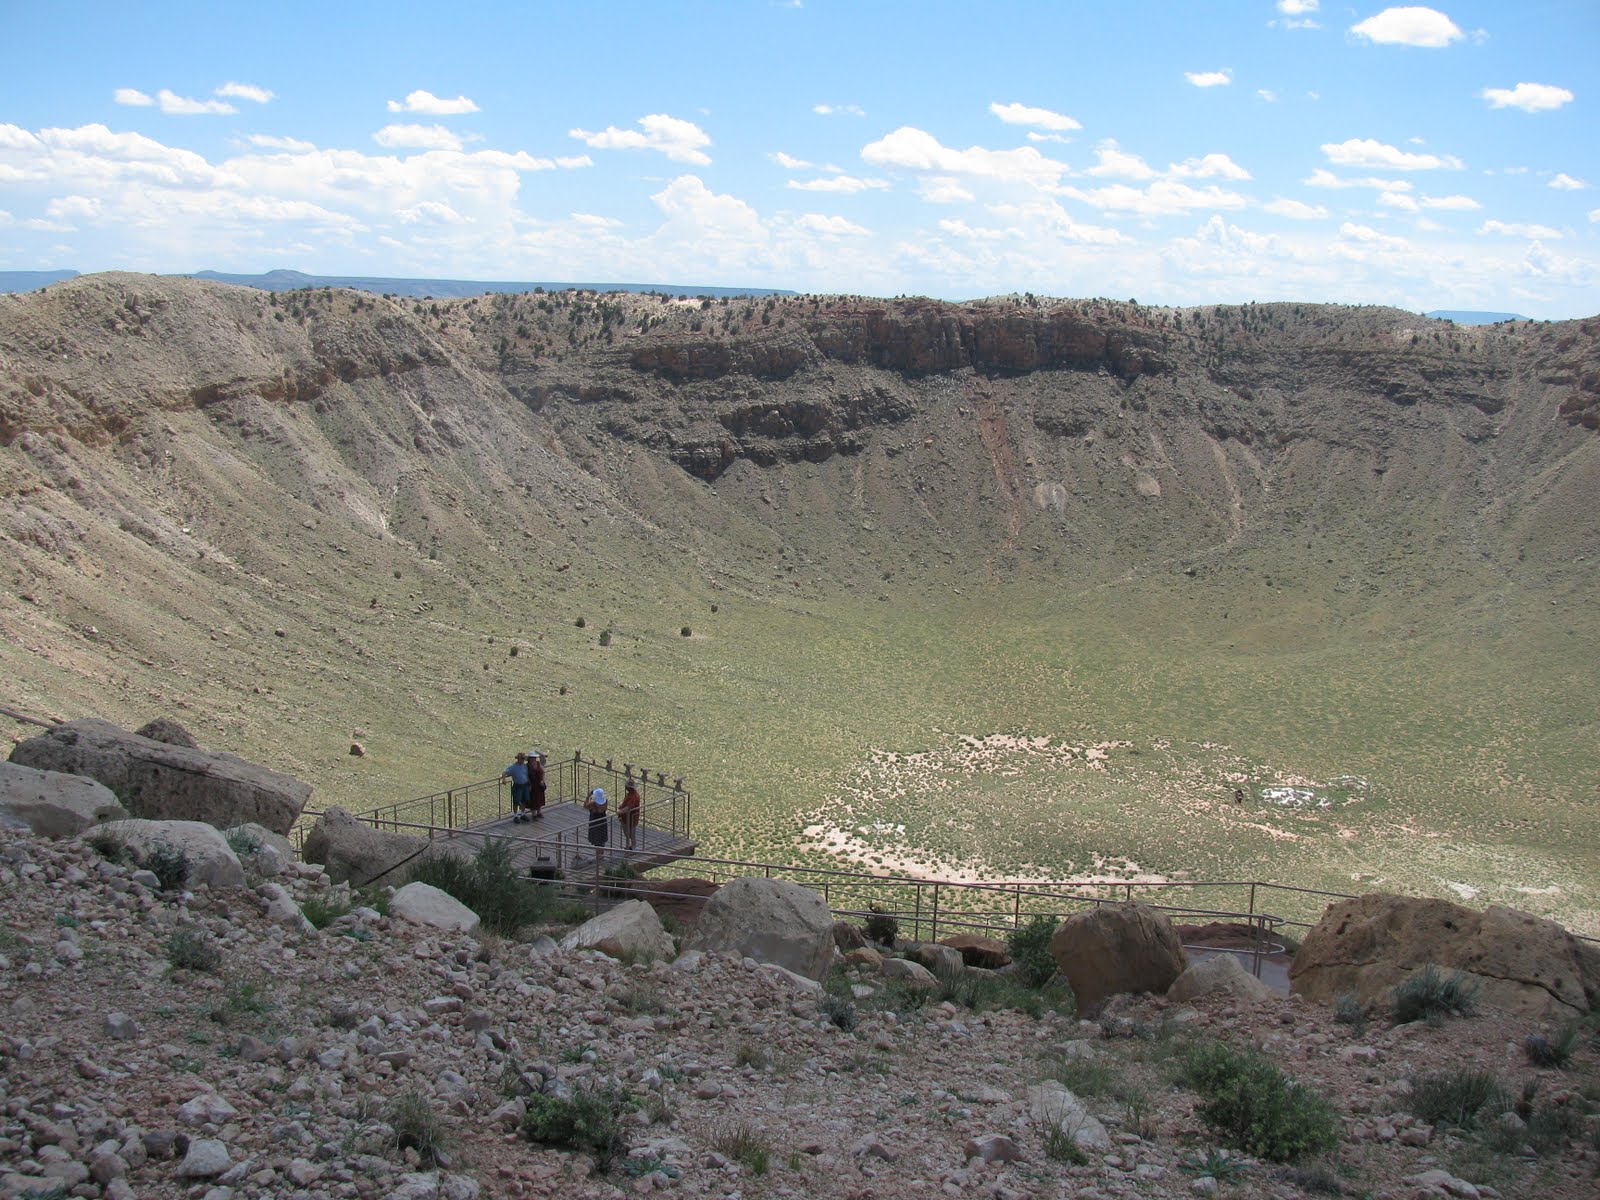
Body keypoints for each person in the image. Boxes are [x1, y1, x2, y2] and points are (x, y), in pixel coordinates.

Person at [503, 752, 531, 823]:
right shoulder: (513, 767)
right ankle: (515, 816)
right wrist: (504, 779)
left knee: (524, 800)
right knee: (516, 801)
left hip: (525, 785)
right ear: (518, 758)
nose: (523, 760)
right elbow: (505, 772)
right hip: (517, 785)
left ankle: (522, 814)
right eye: (522, 758)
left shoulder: (525, 766)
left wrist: (529, 784)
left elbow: (527, 775)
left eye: (524, 758)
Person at [584, 786, 609, 856]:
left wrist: (588, 797)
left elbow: (585, 806)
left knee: (597, 840)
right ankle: (601, 854)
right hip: (603, 822)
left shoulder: (593, 804)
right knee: (602, 840)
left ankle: (598, 856)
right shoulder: (606, 801)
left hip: (595, 823)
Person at [619, 781, 642, 850]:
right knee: (628, 834)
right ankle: (629, 846)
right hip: (627, 818)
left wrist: (620, 811)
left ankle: (633, 847)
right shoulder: (630, 794)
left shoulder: (633, 797)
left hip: (630, 818)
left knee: (631, 834)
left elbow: (629, 807)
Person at [528, 750, 547, 818]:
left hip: (539, 783)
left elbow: (543, 771)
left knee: (539, 798)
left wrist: (542, 780)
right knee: (533, 799)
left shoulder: (538, 763)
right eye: (531, 758)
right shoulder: (527, 766)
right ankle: (534, 814)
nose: (533, 759)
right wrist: (529, 784)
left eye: (534, 757)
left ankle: (539, 812)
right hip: (532, 784)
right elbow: (526, 776)